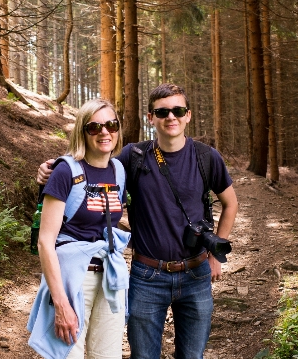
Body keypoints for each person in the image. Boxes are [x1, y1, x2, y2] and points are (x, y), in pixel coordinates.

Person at [37, 84, 238, 359]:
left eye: (178, 110)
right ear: (150, 117)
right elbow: (91, 161)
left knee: (192, 355)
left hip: (195, 273)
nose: (171, 117)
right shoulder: (132, 157)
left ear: (188, 115)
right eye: (162, 111)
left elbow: (231, 203)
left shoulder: (206, 157)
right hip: (147, 275)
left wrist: (215, 255)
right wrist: (53, 168)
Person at [27, 99, 131, 359]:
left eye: (111, 125)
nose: (104, 132)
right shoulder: (65, 171)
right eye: (94, 127)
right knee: (68, 354)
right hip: (73, 277)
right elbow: (45, 242)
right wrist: (61, 303)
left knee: (107, 355)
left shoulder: (118, 170)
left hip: (110, 275)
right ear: (82, 132)